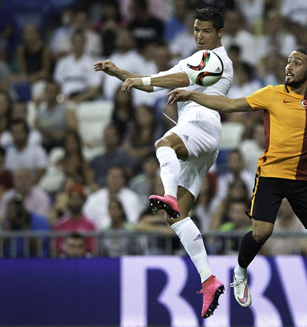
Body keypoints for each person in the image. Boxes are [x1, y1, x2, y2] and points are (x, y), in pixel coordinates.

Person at [168, 47, 307, 309]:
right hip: (271, 175)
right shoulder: (271, 94)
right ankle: (240, 272)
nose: (289, 66)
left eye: (296, 63)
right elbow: (230, 105)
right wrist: (192, 95)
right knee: (262, 232)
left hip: (304, 180)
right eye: (288, 61)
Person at [94, 7, 232, 319]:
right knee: (177, 218)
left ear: (220, 33)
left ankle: (167, 193)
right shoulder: (195, 58)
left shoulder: (217, 59)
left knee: (163, 143)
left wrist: (143, 78)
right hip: (204, 141)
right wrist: (119, 73)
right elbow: (157, 81)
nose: (200, 35)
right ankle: (208, 279)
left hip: (201, 122)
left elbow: (179, 79)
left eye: (206, 31)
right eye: (196, 29)